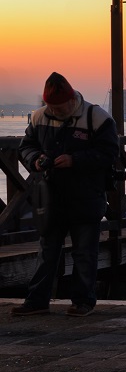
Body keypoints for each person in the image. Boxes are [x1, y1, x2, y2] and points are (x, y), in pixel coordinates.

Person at [13, 73, 118, 317]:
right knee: (47, 251)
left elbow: (109, 153)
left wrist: (75, 160)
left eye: (59, 108)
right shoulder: (39, 117)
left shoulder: (97, 118)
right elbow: (26, 147)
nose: (55, 112)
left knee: (84, 252)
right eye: (51, 107)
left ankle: (83, 302)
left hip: (87, 196)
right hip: (51, 197)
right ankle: (37, 301)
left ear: (72, 100)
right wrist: (35, 160)